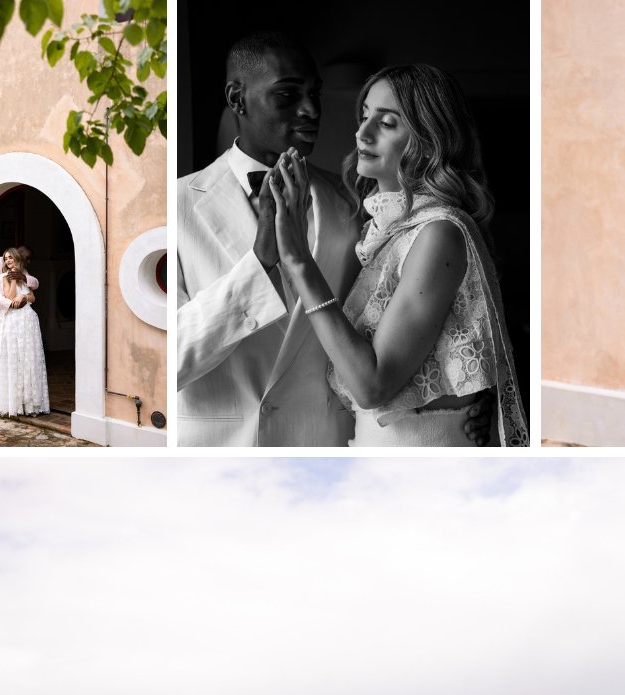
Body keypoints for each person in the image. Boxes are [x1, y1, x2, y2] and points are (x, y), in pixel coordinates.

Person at [176, 32, 494, 448]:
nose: (310, 110)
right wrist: (262, 261)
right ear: (237, 99)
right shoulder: (178, 204)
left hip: (327, 448)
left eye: (314, 93)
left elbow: (424, 316)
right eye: (288, 94)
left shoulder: (354, 204)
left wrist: (463, 397)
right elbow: (166, 360)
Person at [268, 64, 528, 446]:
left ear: (429, 139)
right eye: (364, 115)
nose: (362, 132)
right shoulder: (383, 229)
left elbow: (372, 387)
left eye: (387, 123)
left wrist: (298, 260)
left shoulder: (438, 231)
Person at [0, 246, 39, 410]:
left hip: (12, 321)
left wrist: (24, 278)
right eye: (26, 257)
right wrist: (11, 304)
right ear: (18, 252)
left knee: (10, 357)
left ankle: (8, 396)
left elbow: (36, 284)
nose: (27, 261)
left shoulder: (20, 267)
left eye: (28, 259)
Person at [0, 247, 50, 418]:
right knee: (15, 358)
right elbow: (10, 298)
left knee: (29, 359)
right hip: (13, 321)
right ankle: (16, 404)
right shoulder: (3, 278)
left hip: (28, 320)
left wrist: (24, 296)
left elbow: (32, 297)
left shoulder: (25, 276)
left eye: (11, 257)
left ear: (17, 259)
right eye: (5, 258)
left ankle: (31, 404)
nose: (8, 261)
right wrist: (13, 281)